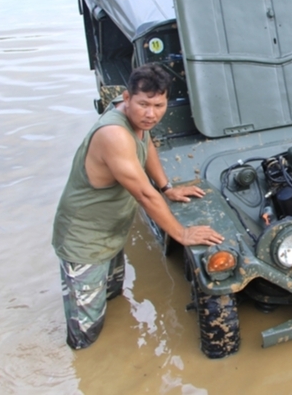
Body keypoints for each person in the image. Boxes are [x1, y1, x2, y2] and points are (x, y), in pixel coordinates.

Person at [52, 64, 223, 349]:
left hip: (112, 230)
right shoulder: (114, 135)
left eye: (158, 105)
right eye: (143, 104)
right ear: (126, 98)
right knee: (85, 334)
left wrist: (167, 187)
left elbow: (148, 147)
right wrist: (181, 234)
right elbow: (145, 195)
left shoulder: (139, 124)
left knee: (113, 297)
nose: (151, 113)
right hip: (84, 238)